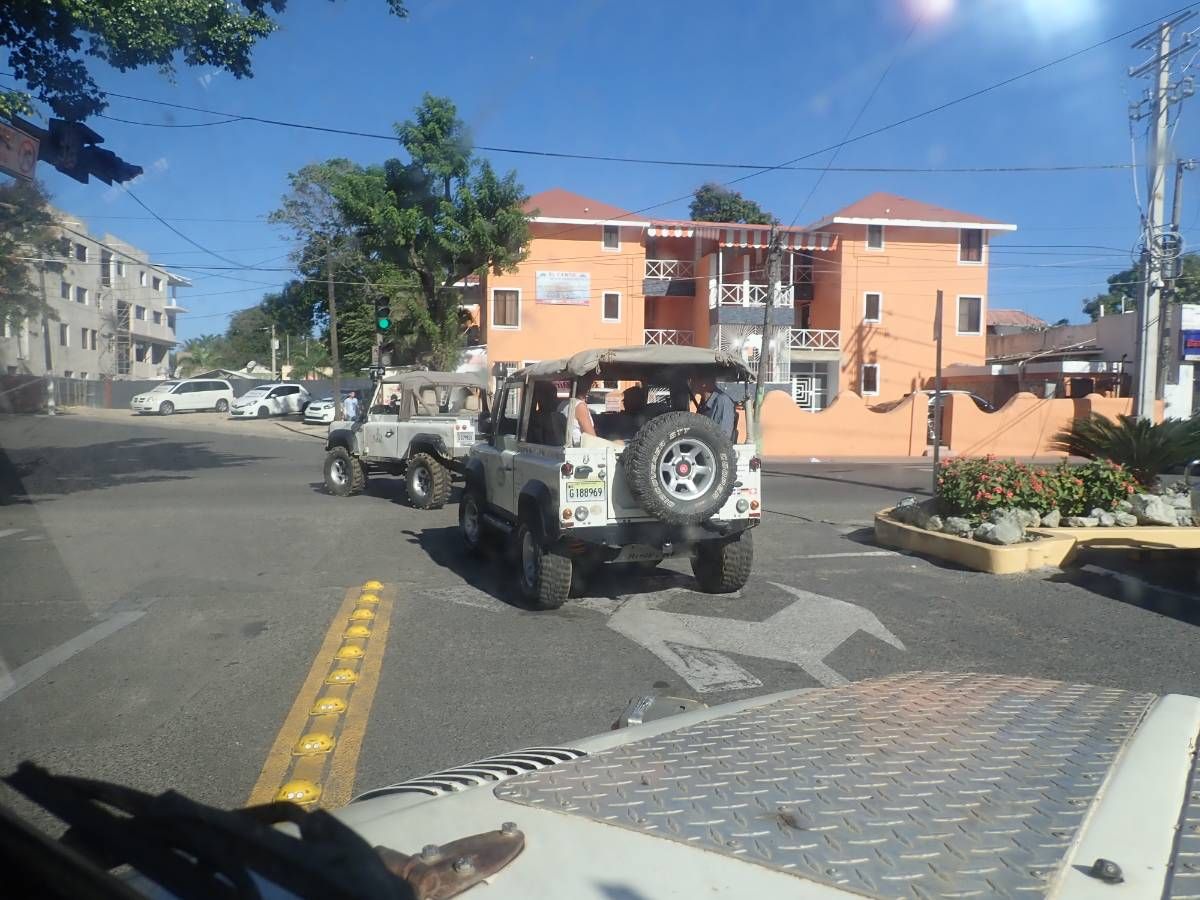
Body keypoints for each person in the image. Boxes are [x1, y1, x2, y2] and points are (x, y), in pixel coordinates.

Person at [691, 374, 737, 439]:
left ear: (704, 383)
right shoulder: (703, 401)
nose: (691, 383)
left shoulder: (723, 401)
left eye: (693, 380)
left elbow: (723, 438)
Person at [557, 379, 596, 447]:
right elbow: (591, 437)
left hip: (566, 446)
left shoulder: (562, 404)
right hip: (580, 447)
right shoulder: (579, 405)